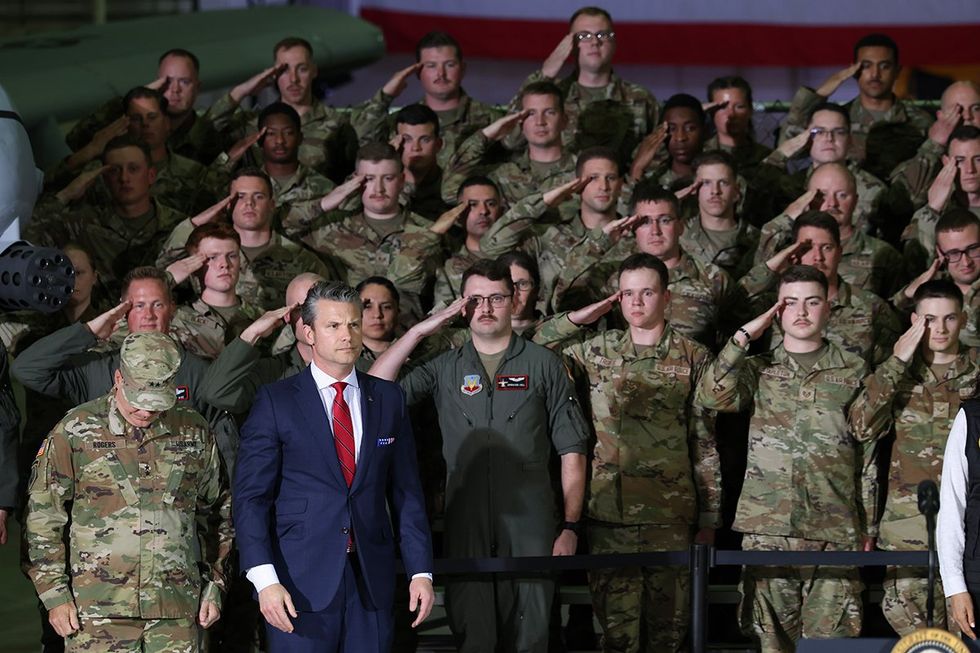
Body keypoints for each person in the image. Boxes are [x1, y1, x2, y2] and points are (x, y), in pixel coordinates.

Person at [369, 259, 590, 653]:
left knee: (532, 635)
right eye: (475, 299)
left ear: (514, 300)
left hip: (531, 523)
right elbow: (376, 391)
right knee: (473, 634)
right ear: (463, 306)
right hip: (465, 518)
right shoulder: (444, 368)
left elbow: (572, 449)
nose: (486, 308)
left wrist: (570, 525)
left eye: (496, 298)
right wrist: (423, 328)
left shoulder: (545, 365)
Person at [234, 281, 434, 652]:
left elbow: (407, 493)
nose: (348, 335)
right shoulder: (276, 401)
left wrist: (420, 571)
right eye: (334, 326)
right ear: (309, 333)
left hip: (371, 582)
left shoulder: (388, 398)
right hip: (296, 585)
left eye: (354, 324)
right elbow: (251, 499)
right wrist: (264, 579)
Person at [535, 253, 721, 652]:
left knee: (668, 638)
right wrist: (580, 317)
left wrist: (709, 517)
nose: (636, 303)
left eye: (647, 292)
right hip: (609, 516)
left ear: (666, 297)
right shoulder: (595, 351)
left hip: (670, 518)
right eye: (626, 294)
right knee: (617, 639)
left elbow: (703, 440)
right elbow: (535, 345)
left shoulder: (693, 356)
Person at [696, 264, 886, 653]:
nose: (801, 312)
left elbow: (866, 452)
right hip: (769, 527)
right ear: (777, 312)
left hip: (834, 527)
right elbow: (710, 395)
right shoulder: (758, 368)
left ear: (827, 309)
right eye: (790, 302)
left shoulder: (854, 370)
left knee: (832, 643)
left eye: (812, 302)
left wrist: (868, 525)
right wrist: (745, 336)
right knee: (772, 642)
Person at [22, 331, 233, 652]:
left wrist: (215, 585)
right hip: (96, 612)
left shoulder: (194, 431)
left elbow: (220, 512)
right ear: (119, 377)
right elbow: (42, 516)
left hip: (175, 611)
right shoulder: (77, 430)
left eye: (157, 403)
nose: (147, 412)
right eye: (139, 400)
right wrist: (54, 594)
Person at [852, 280, 979, 634]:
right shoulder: (895, 372)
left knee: (967, 636)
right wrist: (896, 362)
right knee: (920, 639)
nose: (939, 329)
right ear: (913, 321)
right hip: (909, 528)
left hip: (971, 530)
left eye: (949, 318)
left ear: (963, 319)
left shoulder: (977, 370)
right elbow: (861, 426)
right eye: (929, 320)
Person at [285, 143, 442, 323]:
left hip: (408, 336)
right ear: (355, 181)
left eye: (388, 178)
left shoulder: (426, 231)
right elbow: (283, 223)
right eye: (369, 179)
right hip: (345, 336)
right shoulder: (333, 228)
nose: (379, 188)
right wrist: (331, 199)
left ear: (402, 180)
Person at [26, 136, 187, 296]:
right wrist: (65, 195)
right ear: (104, 177)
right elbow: (27, 240)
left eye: (133, 169)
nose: (124, 178)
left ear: (151, 175)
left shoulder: (177, 226)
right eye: (114, 170)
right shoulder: (82, 224)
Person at [158, 167, 334, 310]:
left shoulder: (303, 261)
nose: (249, 203)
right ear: (228, 204)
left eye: (258, 196)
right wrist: (194, 223)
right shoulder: (205, 252)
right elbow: (161, 272)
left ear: (272, 204)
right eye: (240, 196)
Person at [778, 33, 933, 180]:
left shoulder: (919, 121)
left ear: (897, 71)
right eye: (866, 66)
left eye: (884, 66)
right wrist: (820, 93)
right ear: (854, 70)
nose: (875, 74)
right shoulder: (838, 121)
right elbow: (789, 147)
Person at [518, 6, 658, 163]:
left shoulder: (640, 97)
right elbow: (510, 139)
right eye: (584, 36)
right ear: (569, 44)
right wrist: (544, 75)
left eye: (603, 35)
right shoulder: (553, 96)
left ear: (614, 42)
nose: (595, 42)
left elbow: (659, 156)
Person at [754, 162, 905, 299]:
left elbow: (893, 309)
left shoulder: (883, 254)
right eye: (822, 195)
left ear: (856, 200)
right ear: (806, 198)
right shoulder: (788, 250)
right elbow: (757, 283)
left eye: (842, 195)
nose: (832, 203)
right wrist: (785, 219)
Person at [362, 31, 503, 169]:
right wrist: (385, 95)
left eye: (449, 64)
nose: (441, 73)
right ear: (418, 72)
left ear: (463, 69)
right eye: (431, 66)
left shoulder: (491, 120)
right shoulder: (400, 121)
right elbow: (365, 143)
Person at [64, 48, 224, 164]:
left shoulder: (211, 139)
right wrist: (133, 101)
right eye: (167, 82)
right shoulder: (132, 130)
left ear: (197, 87)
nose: (175, 90)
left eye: (184, 82)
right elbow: (76, 140)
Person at [444, 81, 577, 206]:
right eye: (531, 114)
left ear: (564, 120)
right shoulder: (502, 175)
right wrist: (487, 135)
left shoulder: (583, 171)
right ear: (520, 121)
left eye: (549, 112)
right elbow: (450, 192)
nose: (540, 122)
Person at [895, 210, 980, 347]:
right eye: (954, 253)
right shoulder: (931, 287)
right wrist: (908, 294)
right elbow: (884, 320)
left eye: (973, 249)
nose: (966, 262)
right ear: (940, 252)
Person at [680, 150, 760, 279]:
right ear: (694, 189)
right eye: (706, 183)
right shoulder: (678, 234)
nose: (715, 191)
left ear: (736, 191)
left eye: (723, 182)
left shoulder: (757, 240)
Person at [432, 176, 502, 306]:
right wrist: (434, 232)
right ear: (458, 213)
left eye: (491, 204)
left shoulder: (521, 251)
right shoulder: (448, 266)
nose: (483, 211)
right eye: (473, 205)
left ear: (501, 210)